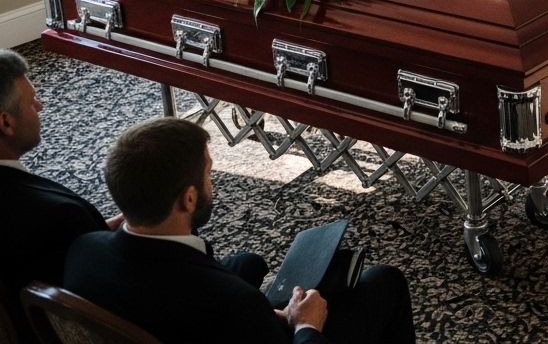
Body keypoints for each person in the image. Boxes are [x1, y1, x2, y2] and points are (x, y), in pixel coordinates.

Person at [64, 118, 415, 344]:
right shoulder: (232, 302)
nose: (211, 184)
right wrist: (306, 326)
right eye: (208, 174)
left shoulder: (83, 249)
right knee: (384, 281)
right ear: (188, 198)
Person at [0, 51, 124, 344]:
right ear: (5, 123)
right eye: (31, 101)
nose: (40, 106)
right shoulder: (56, 214)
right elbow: (111, 281)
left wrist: (113, 227)